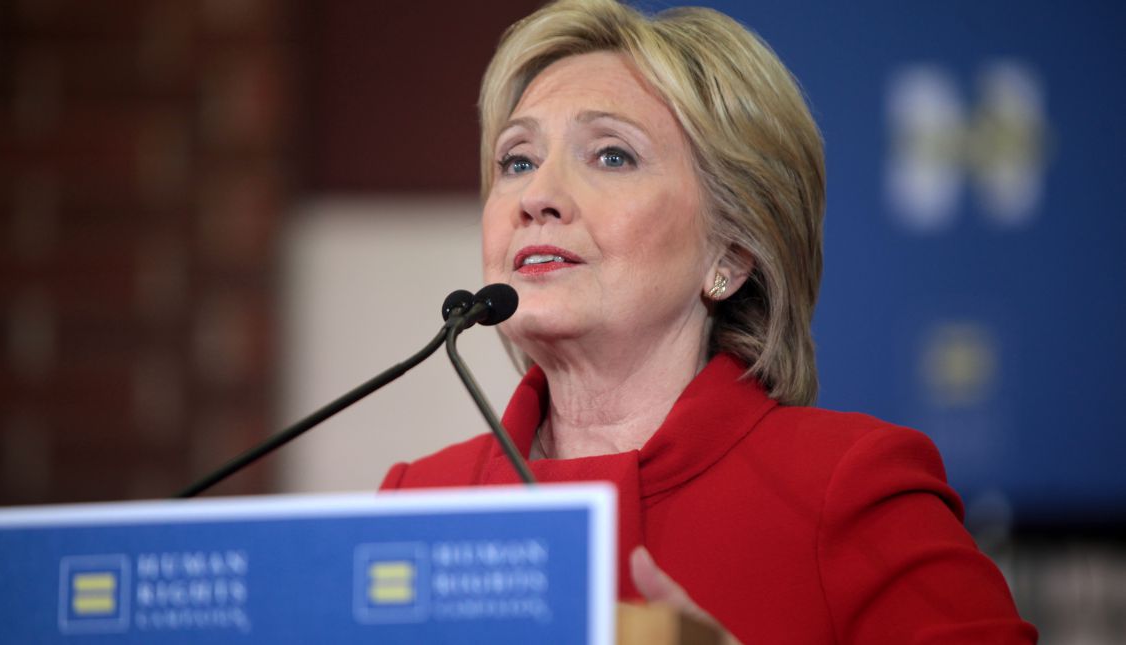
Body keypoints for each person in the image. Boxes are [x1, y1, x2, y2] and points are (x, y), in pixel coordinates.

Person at [380, 0, 1037, 641]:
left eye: (611, 155)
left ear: (729, 252)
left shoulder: (851, 490)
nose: (537, 197)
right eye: (516, 161)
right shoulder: (423, 503)